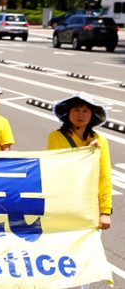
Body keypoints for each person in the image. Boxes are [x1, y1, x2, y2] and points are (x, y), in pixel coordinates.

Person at [47, 93, 112, 231]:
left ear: (92, 115)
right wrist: (85, 151)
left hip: (90, 206)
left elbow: (104, 176)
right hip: (63, 204)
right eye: (76, 110)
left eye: (85, 111)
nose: (80, 115)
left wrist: (105, 212)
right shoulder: (55, 137)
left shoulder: (100, 141)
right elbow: (55, 169)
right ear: (68, 113)